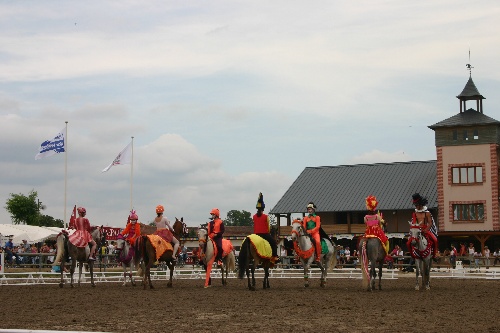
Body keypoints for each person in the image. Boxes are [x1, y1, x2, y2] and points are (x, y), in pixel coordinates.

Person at [411, 193, 438, 260]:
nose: (416, 206)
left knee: (435, 240)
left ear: (420, 204)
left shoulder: (427, 213)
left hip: (425, 230)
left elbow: (430, 223)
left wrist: (426, 229)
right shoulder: (415, 213)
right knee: (409, 242)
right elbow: (414, 223)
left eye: (417, 205)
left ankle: (434, 255)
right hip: (417, 230)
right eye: (415, 205)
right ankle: (412, 255)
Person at [252, 192, 278, 263]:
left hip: (255, 235)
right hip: (264, 234)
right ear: (263, 208)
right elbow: (268, 227)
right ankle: (275, 256)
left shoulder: (254, 216)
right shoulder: (266, 217)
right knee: (273, 243)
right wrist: (269, 232)